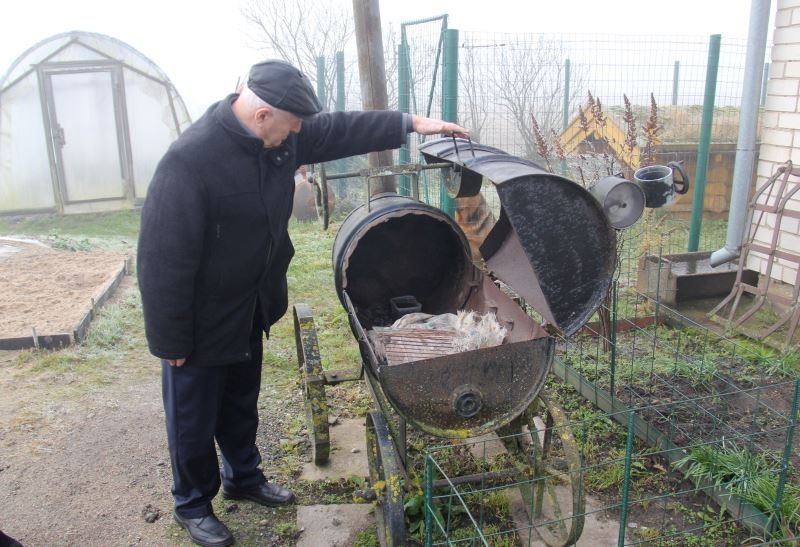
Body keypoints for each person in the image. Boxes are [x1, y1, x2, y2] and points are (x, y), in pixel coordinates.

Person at [137, 58, 467, 547]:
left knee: (240, 399)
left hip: (249, 303)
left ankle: (243, 476)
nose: (298, 139)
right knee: (193, 415)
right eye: (292, 126)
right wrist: (170, 338)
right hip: (201, 319)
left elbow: (341, 130)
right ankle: (192, 503)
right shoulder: (190, 162)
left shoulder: (279, 139)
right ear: (263, 114)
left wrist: (411, 124)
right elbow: (162, 258)